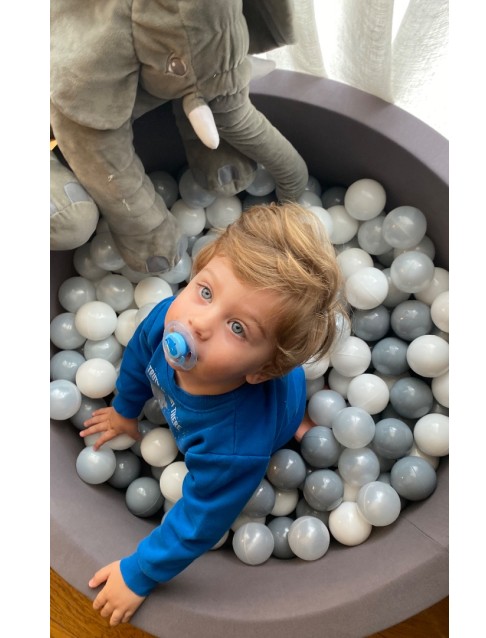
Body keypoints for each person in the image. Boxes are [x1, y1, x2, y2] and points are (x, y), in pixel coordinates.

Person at [79, 202, 348, 626]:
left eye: (237, 328)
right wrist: (124, 411)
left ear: (261, 370)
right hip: (195, 415)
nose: (199, 323)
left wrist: (140, 572)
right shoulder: (166, 319)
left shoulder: (235, 447)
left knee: (278, 429)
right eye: (206, 292)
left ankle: (297, 421)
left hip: (270, 418)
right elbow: (136, 360)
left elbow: (202, 518)